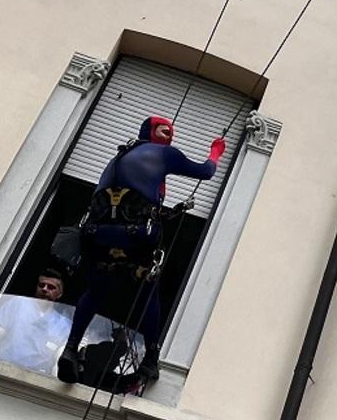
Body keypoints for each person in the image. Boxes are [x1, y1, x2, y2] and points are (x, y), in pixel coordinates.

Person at [57, 115, 225, 386]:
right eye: (165, 130)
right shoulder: (164, 153)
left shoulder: (118, 158)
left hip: (99, 234)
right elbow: (206, 171)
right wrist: (216, 150)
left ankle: (71, 348)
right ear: (153, 132)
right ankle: (150, 357)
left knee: (96, 289)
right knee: (148, 291)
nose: (170, 135)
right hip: (137, 234)